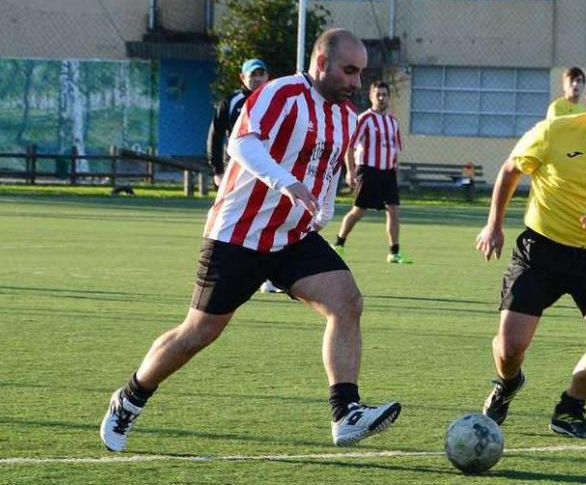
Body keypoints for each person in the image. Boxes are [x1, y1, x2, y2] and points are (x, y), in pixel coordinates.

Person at [100, 28, 401, 452]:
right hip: (238, 234)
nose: (356, 82)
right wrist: (288, 183)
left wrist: (325, 208)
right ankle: (130, 397)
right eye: (349, 71)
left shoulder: (348, 116)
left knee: (347, 301)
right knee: (199, 332)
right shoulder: (281, 93)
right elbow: (241, 142)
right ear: (320, 63)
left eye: (361, 73)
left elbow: (330, 168)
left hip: (293, 236)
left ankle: (345, 412)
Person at [475, 70, 586, 440]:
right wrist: (494, 225)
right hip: (540, 250)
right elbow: (511, 170)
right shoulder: (554, 131)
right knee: (510, 348)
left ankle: (570, 410)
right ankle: (508, 384)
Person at [205, 58, 282, 293]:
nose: (257, 78)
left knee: (269, 221)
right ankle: (216, 271)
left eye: (262, 73)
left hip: (269, 171)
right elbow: (215, 137)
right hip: (238, 173)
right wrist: (217, 169)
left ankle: (269, 278)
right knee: (229, 221)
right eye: (253, 74)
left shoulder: (278, 101)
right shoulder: (232, 102)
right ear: (243, 78)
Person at [332, 81, 409, 264]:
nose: (381, 98)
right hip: (368, 170)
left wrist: (394, 171)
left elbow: (394, 149)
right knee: (358, 211)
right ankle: (339, 243)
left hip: (387, 173)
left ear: (389, 97)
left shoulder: (392, 121)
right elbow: (349, 146)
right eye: (378, 95)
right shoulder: (365, 119)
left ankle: (394, 252)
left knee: (393, 211)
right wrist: (350, 171)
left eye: (384, 94)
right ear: (371, 97)